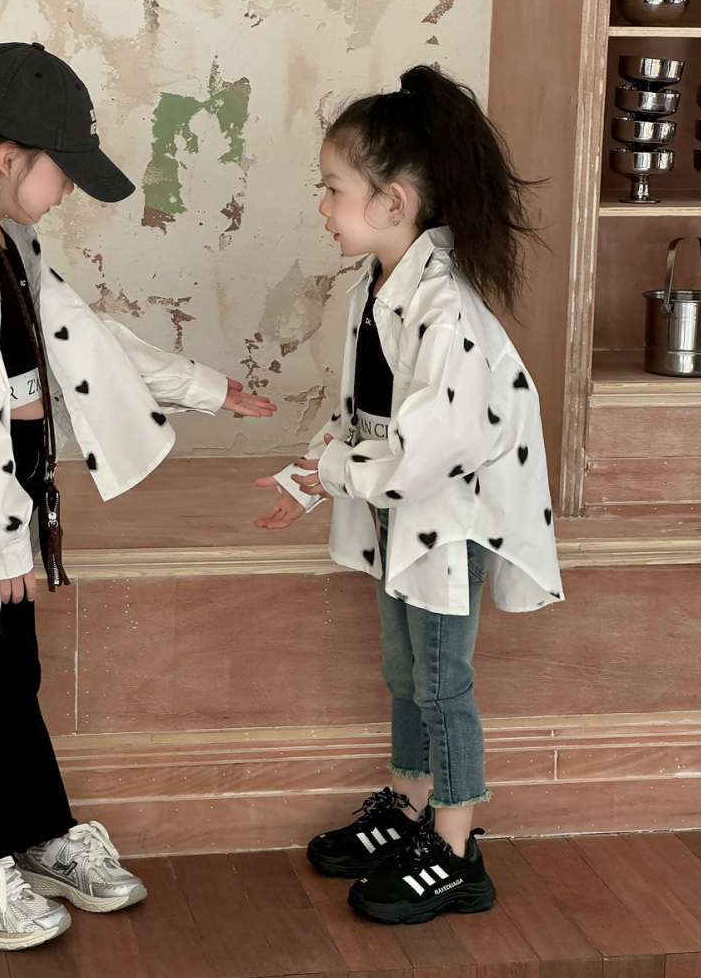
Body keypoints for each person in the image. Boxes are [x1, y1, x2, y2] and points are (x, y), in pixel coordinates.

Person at [0, 41, 276, 951]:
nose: (66, 191)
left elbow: (86, 338)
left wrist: (205, 387)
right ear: (7, 157)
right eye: (60, 170)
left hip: (11, 503)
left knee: (11, 672)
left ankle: (35, 829)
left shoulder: (7, 245)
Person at [253, 64, 564, 925]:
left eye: (333, 188)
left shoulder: (446, 309)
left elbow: (432, 448)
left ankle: (456, 853)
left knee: (441, 682)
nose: (323, 205)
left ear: (391, 202)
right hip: (404, 516)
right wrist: (306, 480)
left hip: (445, 521)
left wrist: (332, 475)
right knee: (405, 673)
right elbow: (362, 415)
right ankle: (408, 804)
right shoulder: (379, 286)